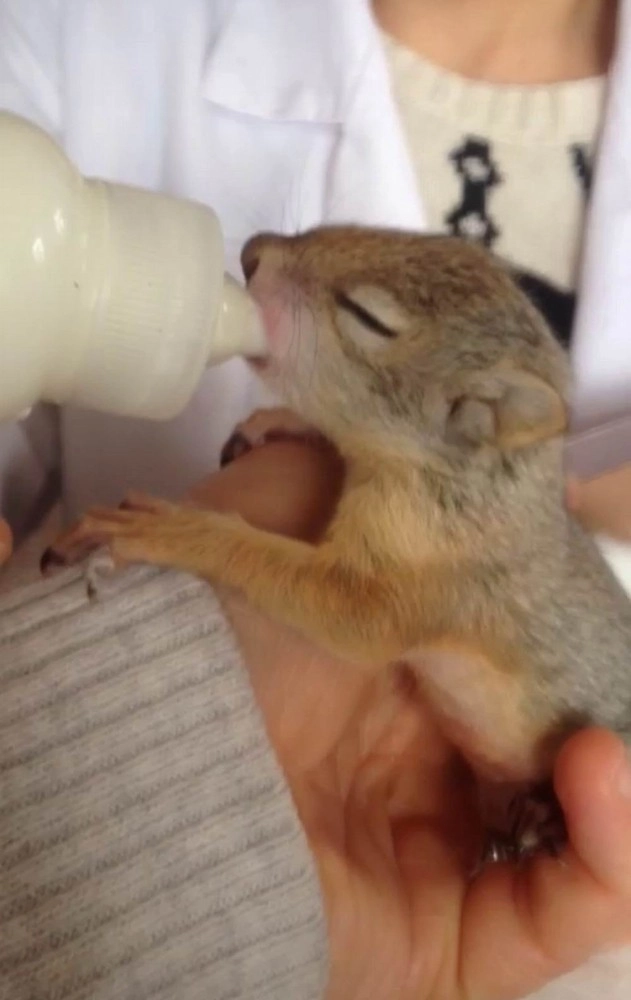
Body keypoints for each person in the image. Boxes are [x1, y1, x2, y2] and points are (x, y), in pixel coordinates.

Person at [2, 0, 631, 997]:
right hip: (233, 827)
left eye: (366, 318)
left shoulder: (457, 537)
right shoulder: (72, 30)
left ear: (469, 417)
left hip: (523, 862)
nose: (261, 258)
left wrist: (192, 539)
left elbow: (362, 610)